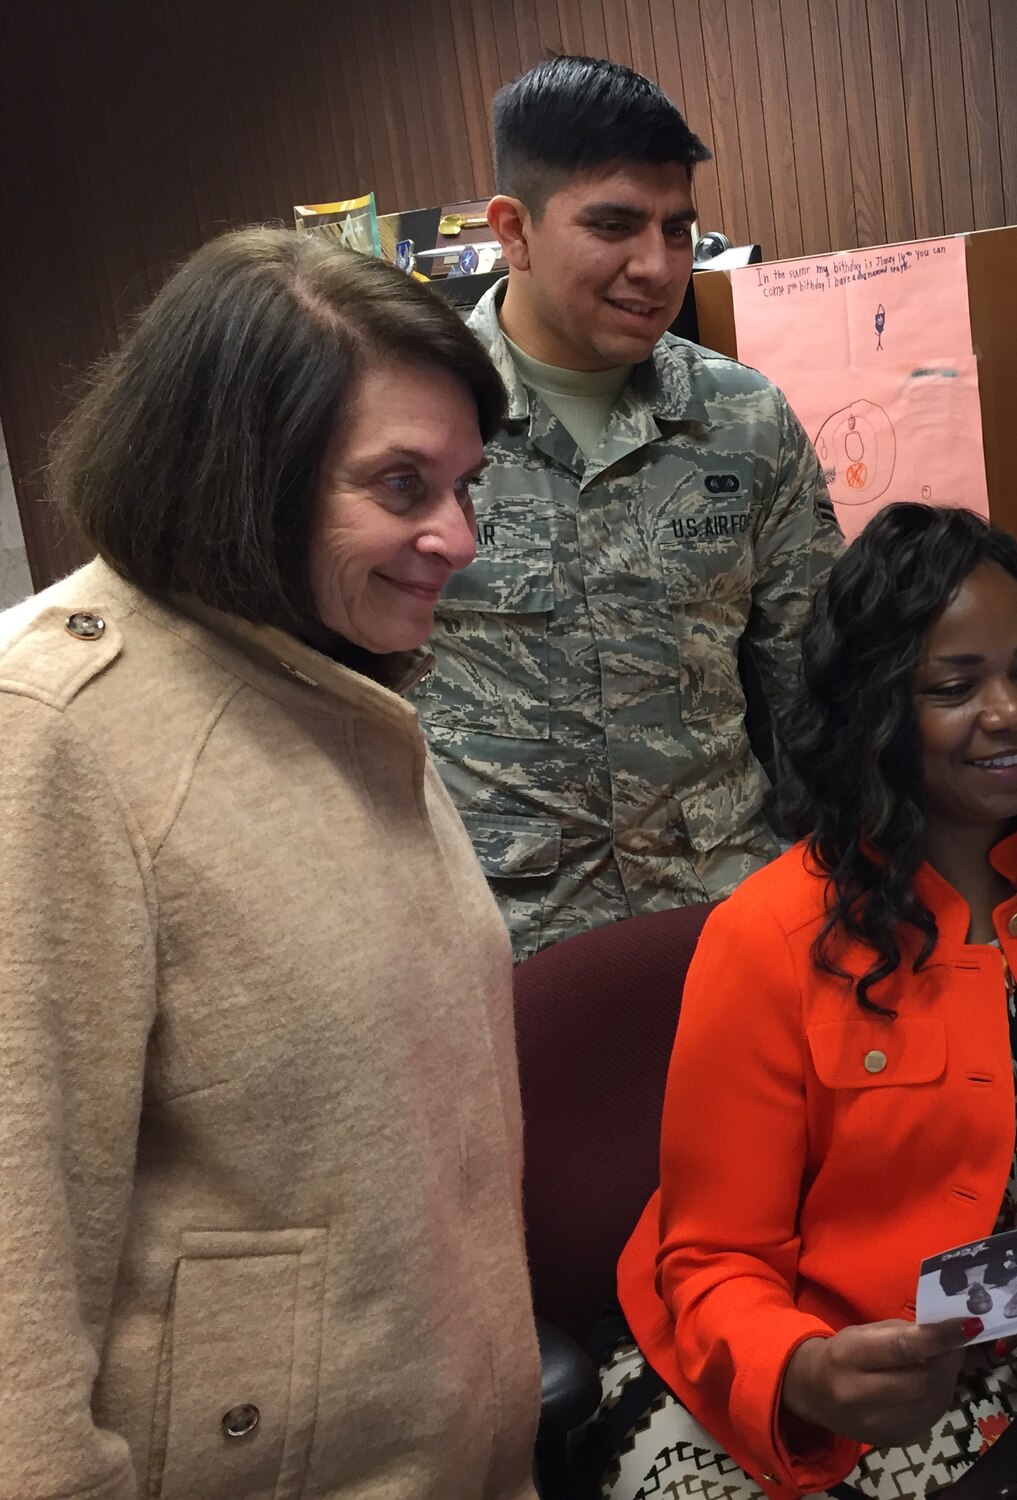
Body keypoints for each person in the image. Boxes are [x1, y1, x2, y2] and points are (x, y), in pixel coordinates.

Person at [0, 228, 540, 1499]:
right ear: (241, 474)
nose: (455, 537)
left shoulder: (330, 685)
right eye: (401, 486)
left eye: (465, 486)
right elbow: (14, 1286)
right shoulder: (56, 734)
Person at [590, 504, 1017, 1500]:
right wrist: (804, 1371)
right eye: (954, 686)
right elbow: (711, 1262)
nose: (1011, 713)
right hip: (790, 1382)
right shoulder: (769, 937)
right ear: (874, 710)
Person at [417, 54, 842, 959]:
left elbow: (820, 685)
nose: (656, 267)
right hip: (501, 943)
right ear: (514, 230)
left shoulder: (742, 418)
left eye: (679, 230)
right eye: (612, 226)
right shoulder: (413, 420)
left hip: (724, 921)